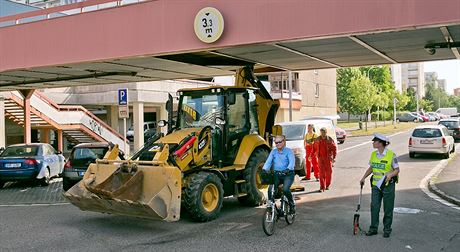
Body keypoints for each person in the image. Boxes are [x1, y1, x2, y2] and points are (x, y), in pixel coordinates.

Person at [360, 133, 400, 238]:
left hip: (388, 186)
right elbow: (372, 168)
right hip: (376, 186)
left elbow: (397, 170)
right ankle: (373, 229)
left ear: (381, 143)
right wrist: (363, 177)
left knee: (388, 208)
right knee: (374, 207)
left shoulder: (391, 155)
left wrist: (390, 175)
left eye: (375, 141)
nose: (373, 143)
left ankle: (387, 229)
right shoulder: (374, 154)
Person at [263, 135, 296, 213]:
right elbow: (268, 162)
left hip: (288, 174)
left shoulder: (289, 151)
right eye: (276, 142)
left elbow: (292, 162)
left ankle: (292, 204)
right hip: (277, 174)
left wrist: (288, 169)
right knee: (271, 189)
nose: (277, 144)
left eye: (279, 142)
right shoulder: (273, 152)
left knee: (285, 189)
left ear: (284, 142)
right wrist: (264, 169)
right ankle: (271, 205)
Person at [313, 127, 336, 192]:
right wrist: (311, 156)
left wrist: (333, 157)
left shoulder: (329, 139)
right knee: (321, 173)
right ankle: (322, 187)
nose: (322, 133)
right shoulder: (317, 139)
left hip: (328, 158)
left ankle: (327, 185)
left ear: (326, 132)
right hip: (320, 158)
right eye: (321, 132)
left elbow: (334, 149)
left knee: (329, 172)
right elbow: (314, 148)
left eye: (324, 132)